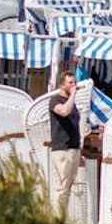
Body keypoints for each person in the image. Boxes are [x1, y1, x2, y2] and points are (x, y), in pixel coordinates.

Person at [47, 73, 83, 216]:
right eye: (70, 83)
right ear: (62, 85)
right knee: (61, 188)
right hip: (62, 149)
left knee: (67, 187)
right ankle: (57, 219)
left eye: (75, 82)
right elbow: (63, 111)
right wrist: (73, 95)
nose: (73, 85)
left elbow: (75, 125)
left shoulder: (72, 104)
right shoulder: (55, 100)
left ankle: (62, 217)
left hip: (73, 149)